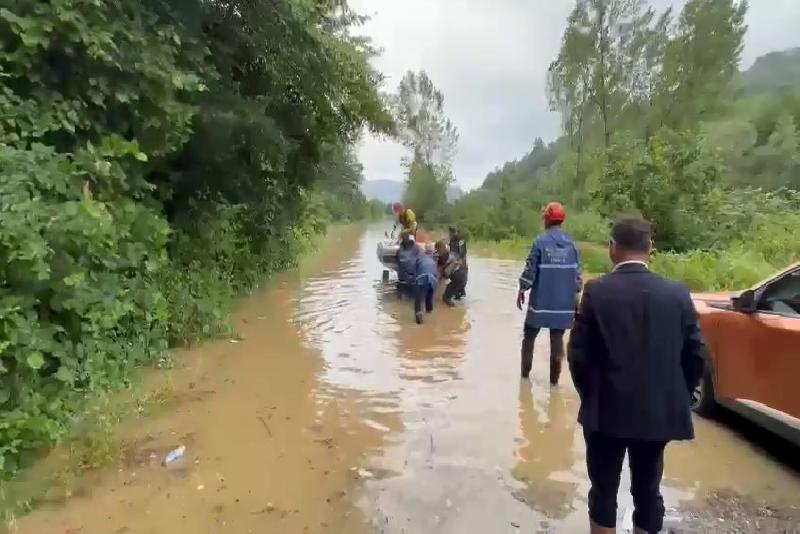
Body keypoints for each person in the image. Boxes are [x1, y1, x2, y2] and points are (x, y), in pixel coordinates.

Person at [567, 216, 706, 534]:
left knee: (603, 491)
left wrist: (592, 396)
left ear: (612, 248)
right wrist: (676, 397)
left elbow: (579, 358)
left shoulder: (597, 292)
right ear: (650, 250)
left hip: (606, 413)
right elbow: (696, 355)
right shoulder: (678, 294)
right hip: (657, 413)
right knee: (648, 490)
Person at [516, 202, 581, 385]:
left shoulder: (539, 242)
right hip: (562, 306)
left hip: (540, 303)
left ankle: (524, 379)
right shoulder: (572, 246)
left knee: (529, 336)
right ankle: (554, 385)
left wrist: (522, 288)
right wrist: (576, 301)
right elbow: (577, 277)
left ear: (546, 219)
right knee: (557, 341)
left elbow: (530, 271)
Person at [435, 240, 468, 307]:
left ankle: (454, 312)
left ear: (440, 249)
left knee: (445, 298)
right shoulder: (453, 254)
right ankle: (461, 313)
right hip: (464, 276)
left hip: (458, 277)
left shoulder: (442, 257)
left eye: (437, 250)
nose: (437, 252)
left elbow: (444, 274)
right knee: (458, 297)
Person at [413, 244, 438, 324]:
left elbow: (414, 271)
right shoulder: (433, 260)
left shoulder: (419, 257)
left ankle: (418, 318)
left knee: (418, 300)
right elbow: (436, 273)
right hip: (432, 280)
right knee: (429, 299)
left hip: (422, 279)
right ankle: (430, 313)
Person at [448, 226, 468, 299]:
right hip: (455, 263)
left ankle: (460, 297)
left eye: (451, 233)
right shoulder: (451, 241)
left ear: (455, 232)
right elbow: (451, 252)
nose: (450, 235)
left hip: (461, 264)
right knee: (455, 282)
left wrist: (462, 265)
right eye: (450, 234)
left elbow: (463, 254)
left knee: (460, 284)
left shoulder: (461, 241)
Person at [396, 233, 417, 299]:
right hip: (413, 277)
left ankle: (400, 298)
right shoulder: (415, 250)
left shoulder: (399, 251)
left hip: (402, 278)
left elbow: (398, 261)